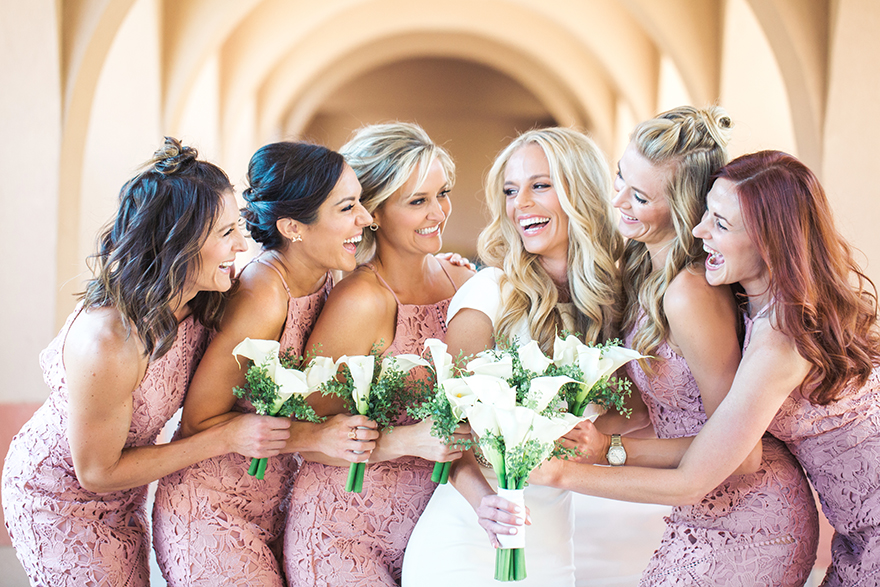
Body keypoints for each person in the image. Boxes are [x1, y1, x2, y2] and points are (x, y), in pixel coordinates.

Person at [515, 149, 879, 586]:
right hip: (853, 533)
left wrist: (564, 472)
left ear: (770, 241)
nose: (700, 229)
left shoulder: (780, 338)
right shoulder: (750, 302)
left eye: (721, 224)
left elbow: (694, 480)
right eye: (706, 212)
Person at [1, 138, 285, 586]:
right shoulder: (110, 342)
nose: (241, 246)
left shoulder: (200, 302)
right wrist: (228, 437)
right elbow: (95, 472)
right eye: (225, 233)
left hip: (126, 494)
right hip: (59, 497)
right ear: (179, 240)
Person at [402, 127, 624, 587]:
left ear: (580, 191)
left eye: (540, 185)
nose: (520, 203)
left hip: (553, 545)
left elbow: (641, 413)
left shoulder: (614, 305)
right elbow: (450, 427)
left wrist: (599, 443)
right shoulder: (490, 293)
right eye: (510, 190)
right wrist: (485, 503)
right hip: (469, 534)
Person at [152, 141, 379, 587]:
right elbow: (201, 419)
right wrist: (316, 435)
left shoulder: (329, 275)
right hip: (212, 509)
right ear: (294, 227)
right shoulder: (263, 294)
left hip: (275, 504)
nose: (366, 218)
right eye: (348, 207)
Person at [282, 122, 474, 587]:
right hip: (345, 533)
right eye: (417, 201)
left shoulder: (465, 283)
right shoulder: (360, 300)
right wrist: (403, 442)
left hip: (434, 530)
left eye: (442, 193)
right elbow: (308, 434)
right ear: (374, 212)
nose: (439, 212)